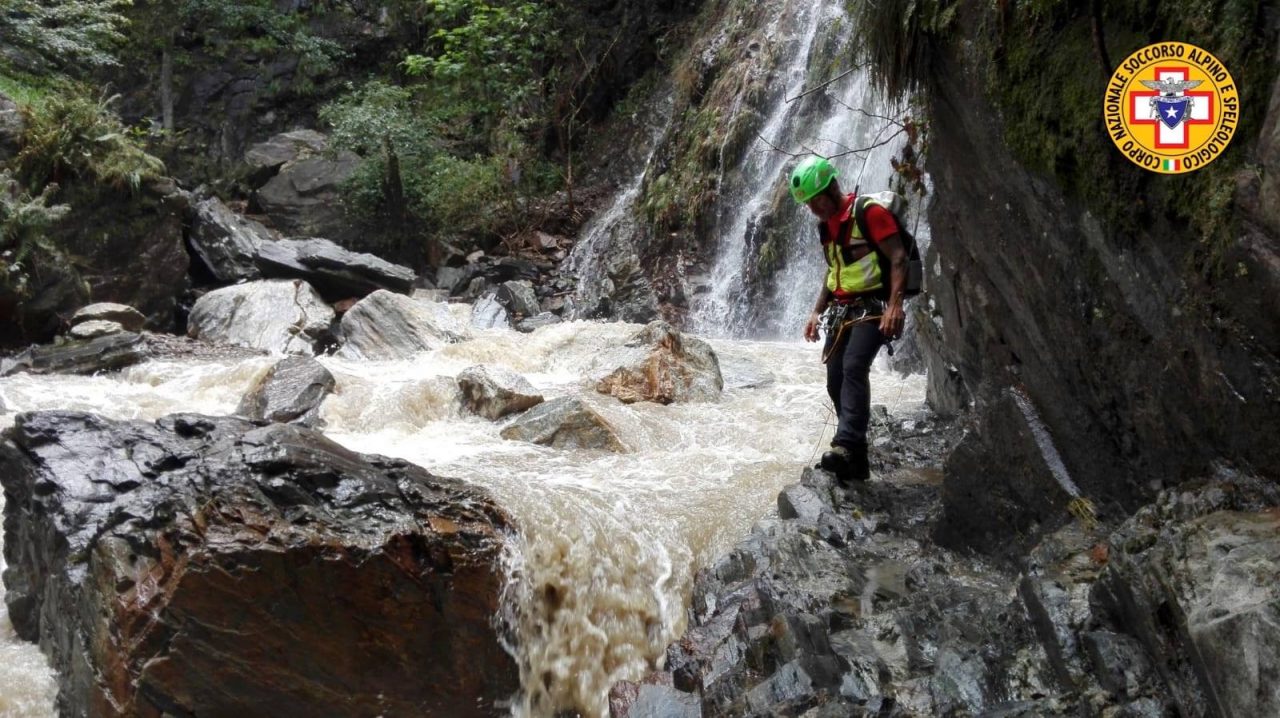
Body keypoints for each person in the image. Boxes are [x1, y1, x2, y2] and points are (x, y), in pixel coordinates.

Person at [790, 156, 909, 483]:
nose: (813, 209)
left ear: (831, 189)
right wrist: (816, 311)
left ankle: (844, 445)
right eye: (809, 205)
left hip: (873, 308)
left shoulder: (869, 213)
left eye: (816, 201)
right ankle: (856, 459)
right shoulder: (825, 228)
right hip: (841, 313)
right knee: (835, 380)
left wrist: (894, 306)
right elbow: (833, 271)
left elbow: (898, 257)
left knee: (854, 367)